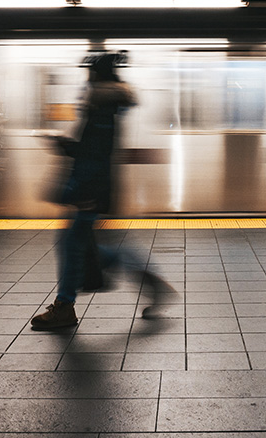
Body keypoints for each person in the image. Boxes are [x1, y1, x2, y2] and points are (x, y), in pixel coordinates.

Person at [30, 51, 175, 330]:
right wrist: (66, 145)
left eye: (90, 74)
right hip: (93, 188)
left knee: (74, 243)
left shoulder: (100, 108)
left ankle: (65, 307)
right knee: (82, 244)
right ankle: (150, 282)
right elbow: (93, 150)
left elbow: (94, 154)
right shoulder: (104, 107)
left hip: (90, 190)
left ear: (97, 76)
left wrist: (70, 161)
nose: (86, 79)